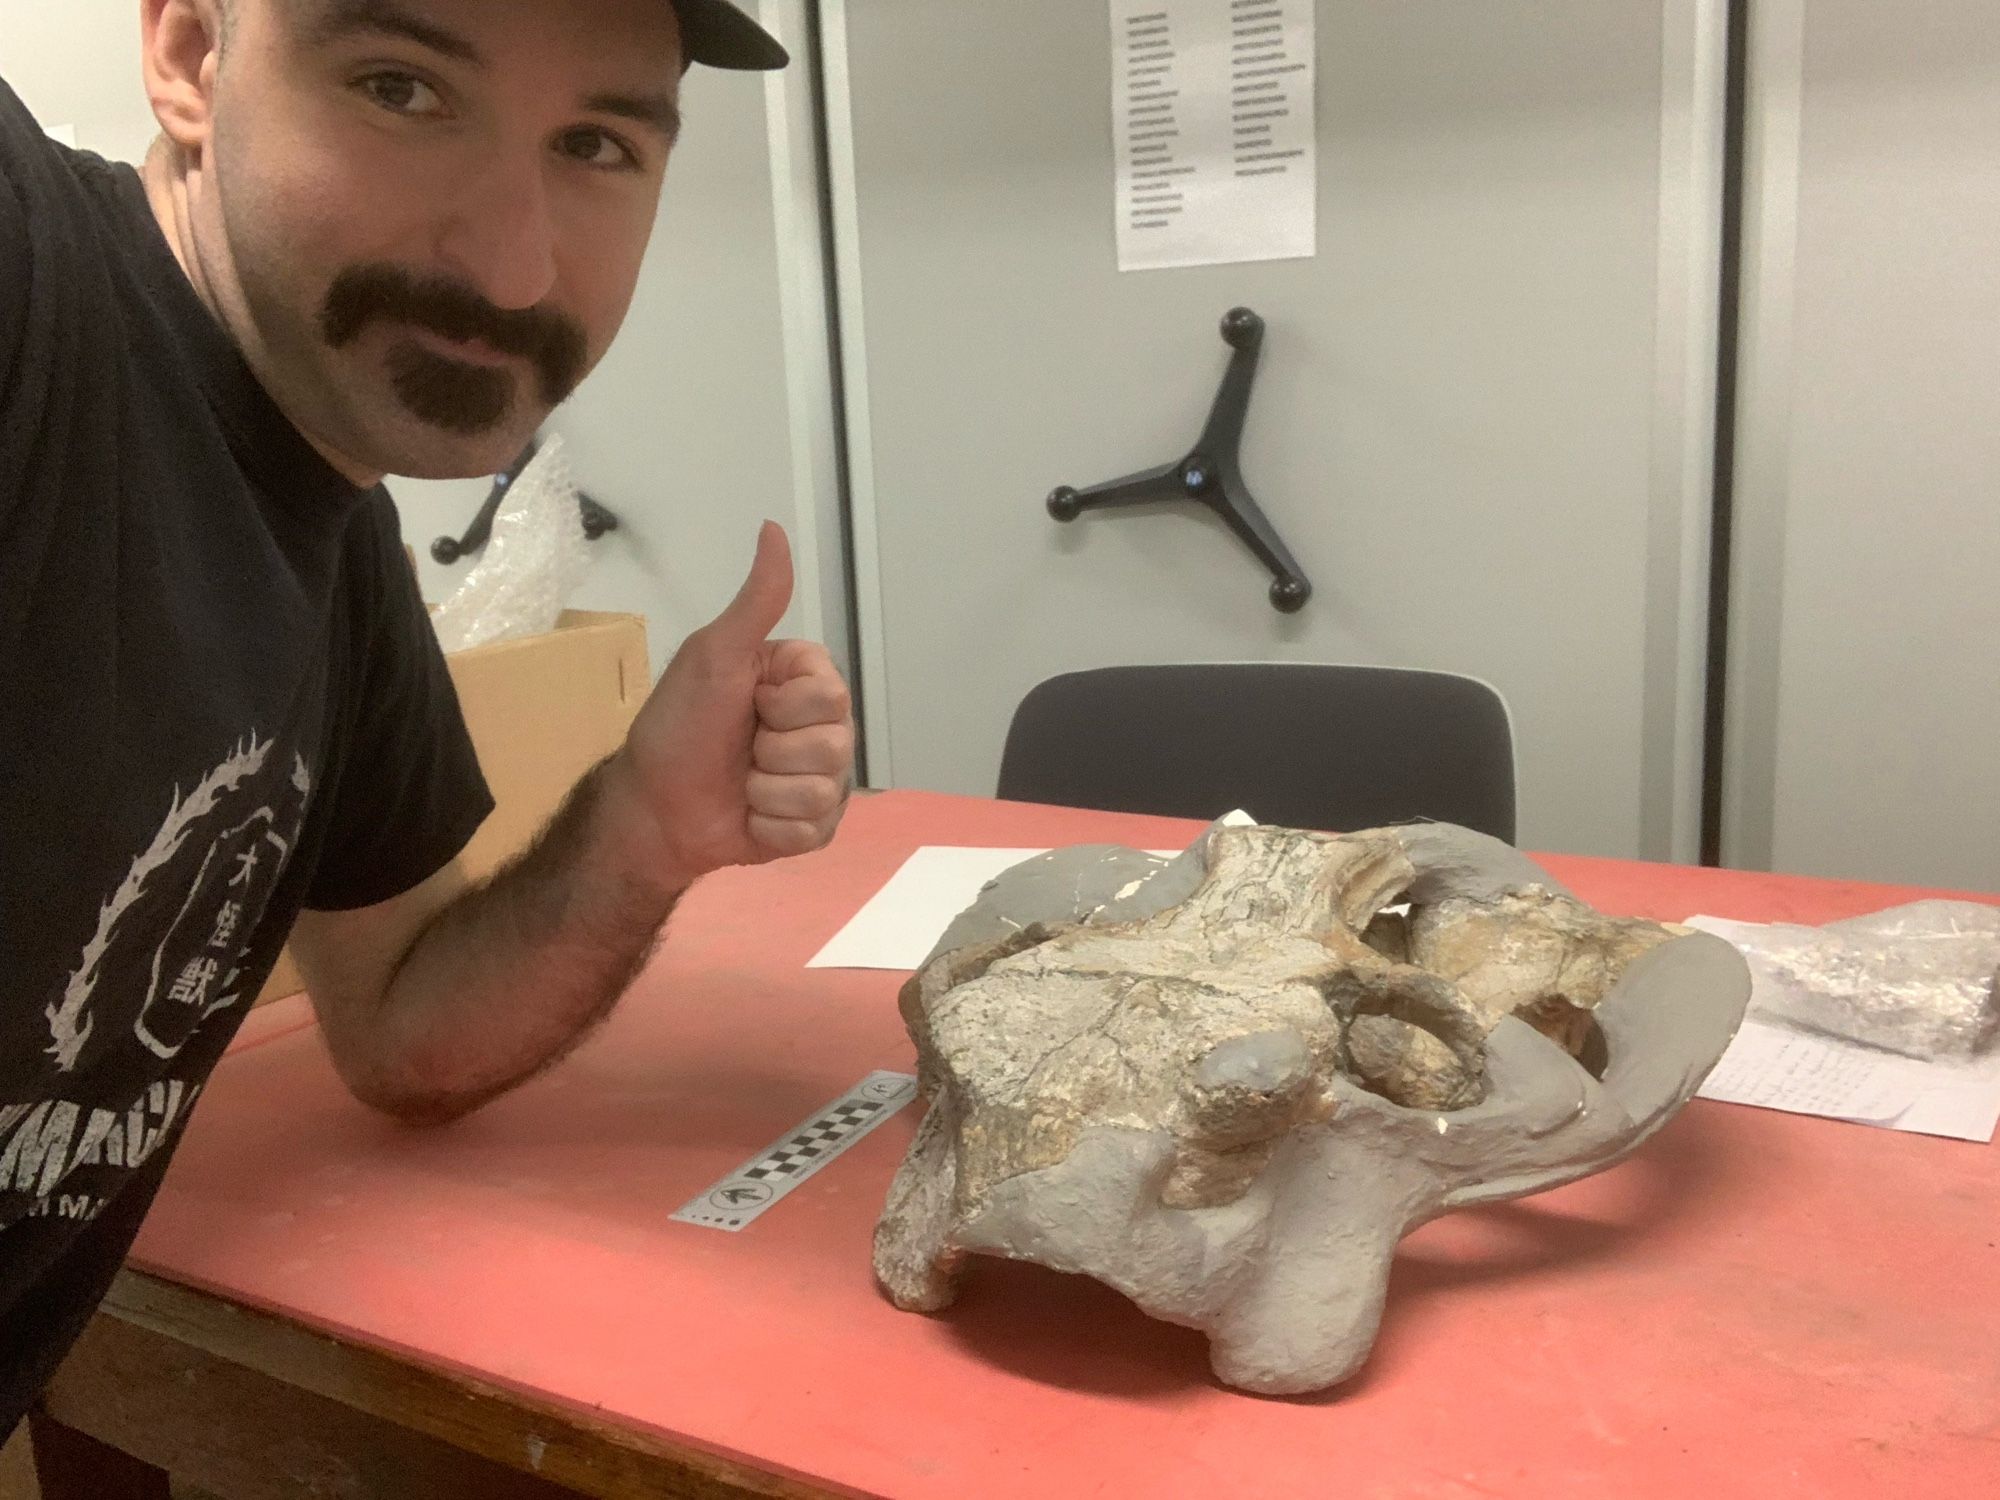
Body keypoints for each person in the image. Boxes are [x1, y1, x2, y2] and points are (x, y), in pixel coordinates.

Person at [0, 0, 854, 1431]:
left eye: (594, 142)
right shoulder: (40, 294)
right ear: (190, 55)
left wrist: (641, 829)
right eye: (401, 89)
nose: (514, 268)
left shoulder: (340, 561)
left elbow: (405, 1031)